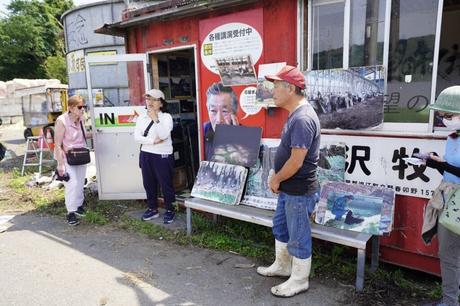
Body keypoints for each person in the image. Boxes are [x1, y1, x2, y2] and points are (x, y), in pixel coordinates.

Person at [256, 65, 321, 297]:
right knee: (281, 228)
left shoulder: (302, 118)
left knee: (299, 235)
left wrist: (275, 178)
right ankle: (283, 266)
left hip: (299, 190)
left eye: (276, 87)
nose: (272, 91)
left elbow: (296, 161)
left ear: (291, 88)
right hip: (288, 189)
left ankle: (300, 279)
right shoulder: (295, 115)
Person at [422, 86, 460, 306]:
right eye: (442, 116)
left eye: (449, 115)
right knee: (449, 252)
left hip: (457, 204)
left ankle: (449, 302)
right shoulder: (452, 138)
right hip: (448, 197)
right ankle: (450, 299)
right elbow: (450, 171)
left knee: (450, 254)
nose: (445, 120)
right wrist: (434, 163)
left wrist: (443, 164)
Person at [134, 89, 176, 224]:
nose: (150, 102)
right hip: (146, 153)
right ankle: (152, 208)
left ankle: (170, 209)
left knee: (166, 184)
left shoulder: (166, 117)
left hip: (163, 155)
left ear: (161, 103)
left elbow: (163, 135)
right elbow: (137, 137)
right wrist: (152, 141)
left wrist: (155, 119)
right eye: (148, 99)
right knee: (149, 183)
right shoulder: (141, 117)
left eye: (154, 99)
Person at [54, 95, 88, 226]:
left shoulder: (80, 120)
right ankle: (70, 212)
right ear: (71, 108)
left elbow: (84, 136)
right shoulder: (62, 121)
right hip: (67, 157)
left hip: (81, 155)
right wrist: (60, 164)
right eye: (80, 107)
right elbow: (57, 144)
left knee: (80, 182)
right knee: (72, 183)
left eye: (83, 106)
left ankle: (78, 205)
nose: (82, 109)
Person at [203, 82, 239, 160]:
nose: (219, 120)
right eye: (213, 111)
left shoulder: (245, 137)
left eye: (224, 111)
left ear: (234, 112)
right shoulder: (201, 133)